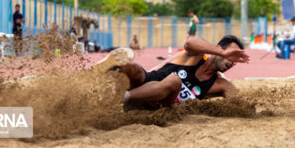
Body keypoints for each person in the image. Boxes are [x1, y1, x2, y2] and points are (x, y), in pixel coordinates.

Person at [95, 35, 250, 111]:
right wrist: (222, 54)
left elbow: (241, 104)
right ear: (219, 49)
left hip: (159, 107)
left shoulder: (219, 84)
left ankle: (121, 97)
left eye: (236, 60)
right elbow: (190, 43)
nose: (232, 62)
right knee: (133, 68)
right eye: (231, 55)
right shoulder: (194, 56)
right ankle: (101, 74)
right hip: (145, 86)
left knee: (174, 81)